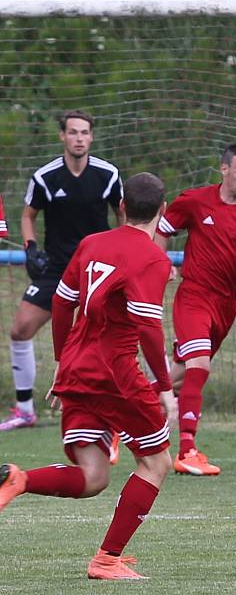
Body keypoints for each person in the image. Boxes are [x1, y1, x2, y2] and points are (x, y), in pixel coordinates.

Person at [0, 172, 174, 580]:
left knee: (93, 476)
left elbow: (62, 305)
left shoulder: (92, 243)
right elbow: (148, 327)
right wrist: (165, 387)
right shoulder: (153, 259)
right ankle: (106, 559)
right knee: (156, 462)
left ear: (123, 207)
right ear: (162, 212)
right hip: (115, 373)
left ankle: (18, 479)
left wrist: (63, 362)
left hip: (77, 365)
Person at [155, 143, 236, 476]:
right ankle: (187, 450)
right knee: (199, 365)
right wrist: (160, 264)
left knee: (181, 373)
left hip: (227, 306)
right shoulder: (195, 201)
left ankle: (120, 418)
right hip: (194, 297)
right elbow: (162, 230)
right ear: (224, 169)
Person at [0, 110, 123, 432]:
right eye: (73, 132)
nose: (79, 138)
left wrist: (125, 251)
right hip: (57, 269)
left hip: (99, 269)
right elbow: (28, 215)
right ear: (62, 137)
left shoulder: (107, 175)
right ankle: (25, 410)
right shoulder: (46, 177)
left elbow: (124, 215)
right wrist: (29, 248)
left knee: (117, 336)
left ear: (91, 137)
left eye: (84, 132)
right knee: (20, 329)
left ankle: (123, 405)